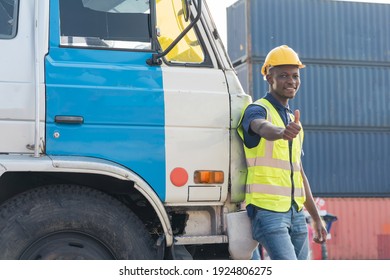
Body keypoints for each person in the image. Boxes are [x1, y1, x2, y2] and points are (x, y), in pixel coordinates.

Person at [238, 45, 327, 260]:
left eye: (295, 75)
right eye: (284, 75)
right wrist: (281, 132)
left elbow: (299, 173)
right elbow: (260, 127)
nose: (291, 81)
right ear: (269, 78)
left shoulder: (295, 122)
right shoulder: (257, 109)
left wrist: (315, 218)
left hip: (296, 213)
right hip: (267, 212)